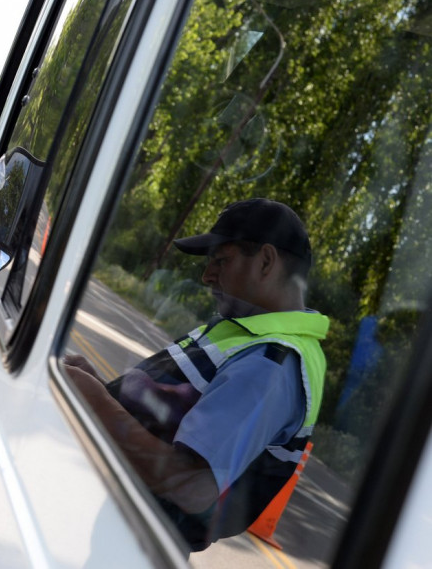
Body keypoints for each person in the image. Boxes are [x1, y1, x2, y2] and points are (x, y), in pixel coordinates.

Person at [62, 198, 328, 551]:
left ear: (266, 261)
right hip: (125, 526)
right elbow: (166, 415)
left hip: (138, 545)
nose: (207, 276)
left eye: (221, 260)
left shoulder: (270, 364)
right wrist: (102, 387)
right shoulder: (248, 333)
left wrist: (93, 400)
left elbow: (191, 487)